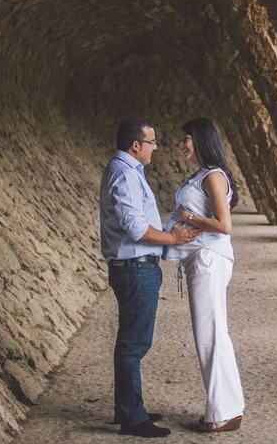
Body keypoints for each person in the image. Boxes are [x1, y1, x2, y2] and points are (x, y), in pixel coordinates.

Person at [100, 118, 201, 439]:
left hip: (134, 266)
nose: (156, 147)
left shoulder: (126, 171)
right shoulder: (125, 174)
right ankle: (132, 417)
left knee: (131, 341)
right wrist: (174, 238)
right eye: (152, 142)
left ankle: (127, 407)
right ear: (136, 145)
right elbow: (135, 227)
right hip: (135, 267)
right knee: (134, 344)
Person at [163, 117, 245, 433]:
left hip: (208, 259)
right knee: (214, 334)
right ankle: (226, 409)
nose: (181, 144)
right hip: (203, 258)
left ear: (200, 139)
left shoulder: (213, 175)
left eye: (186, 138)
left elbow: (224, 225)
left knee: (209, 335)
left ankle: (222, 414)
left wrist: (189, 217)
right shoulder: (203, 174)